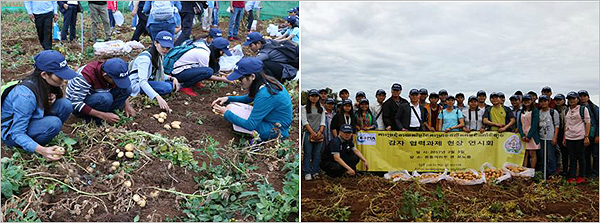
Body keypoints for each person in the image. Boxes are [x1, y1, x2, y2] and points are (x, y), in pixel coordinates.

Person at [1, 50, 77, 161]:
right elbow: (17, 133)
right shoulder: (25, 96)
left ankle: (45, 131)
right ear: (44, 74)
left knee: (65, 104)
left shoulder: (44, 82)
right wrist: (42, 150)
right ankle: (38, 141)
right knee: (54, 123)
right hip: (12, 133)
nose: (63, 79)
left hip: (32, 117)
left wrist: (58, 93)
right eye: (60, 76)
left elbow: (61, 100)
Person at [212, 58, 293, 141]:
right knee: (231, 106)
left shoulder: (265, 95)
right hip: (271, 120)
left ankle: (259, 137)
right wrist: (228, 98)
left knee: (230, 110)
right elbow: (249, 98)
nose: (239, 81)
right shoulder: (268, 82)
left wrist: (226, 113)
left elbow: (250, 125)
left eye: (240, 78)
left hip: (275, 130)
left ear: (252, 76)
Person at [66, 58, 135, 124]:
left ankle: (112, 116)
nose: (117, 83)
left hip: (99, 94)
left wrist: (127, 105)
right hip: (81, 104)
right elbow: (75, 103)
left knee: (127, 89)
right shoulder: (85, 76)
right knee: (106, 98)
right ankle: (94, 120)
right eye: (116, 81)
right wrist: (103, 115)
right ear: (105, 75)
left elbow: (122, 86)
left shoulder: (111, 69)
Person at [128, 31, 180, 112]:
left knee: (175, 85)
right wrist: (157, 97)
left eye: (168, 48)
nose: (165, 50)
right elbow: (142, 82)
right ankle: (147, 93)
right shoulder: (145, 59)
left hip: (148, 80)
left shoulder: (158, 55)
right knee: (167, 87)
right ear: (155, 43)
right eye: (163, 46)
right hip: (136, 85)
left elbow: (157, 74)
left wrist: (171, 78)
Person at [167, 37, 233, 96]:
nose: (222, 54)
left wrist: (223, 74)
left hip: (184, 69)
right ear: (217, 50)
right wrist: (223, 79)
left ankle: (194, 82)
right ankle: (185, 87)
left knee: (207, 70)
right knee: (208, 71)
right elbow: (207, 75)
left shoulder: (206, 48)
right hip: (178, 73)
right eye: (222, 52)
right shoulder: (204, 54)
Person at [563, 92, 591, 183]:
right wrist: (564, 137)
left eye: (573, 98)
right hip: (569, 137)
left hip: (580, 136)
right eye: (569, 98)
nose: (571, 100)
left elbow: (588, 123)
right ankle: (572, 176)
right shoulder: (566, 110)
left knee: (581, 157)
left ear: (577, 99)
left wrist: (586, 136)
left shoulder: (583, 109)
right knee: (572, 157)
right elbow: (565, 125)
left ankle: (582, 175)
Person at [301, 89, 326, 181]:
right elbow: (305, 121)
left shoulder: (321, 108)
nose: (314, 98)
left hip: (319, 133)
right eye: (312, 96)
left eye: (316, 96)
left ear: (318, 97)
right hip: (308, 133)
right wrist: (312, 132)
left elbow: (323, 121)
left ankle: (315, 171)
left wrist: (319, 132)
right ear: (309, 97)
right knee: (308, 153)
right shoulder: (304, 108)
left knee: (317, 153)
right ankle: (307, 172)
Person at [578, 90, 599, 177]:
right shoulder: (577, 108)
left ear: (588, 97)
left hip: (593, 135)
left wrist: (598, 135)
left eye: (584, 96)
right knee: (585, 155)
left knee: (595, 155)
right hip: (582, 135)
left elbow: (598, 121)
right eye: (581, 96)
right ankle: (587, 172)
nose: (582, 98)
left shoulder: (594, 108)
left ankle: (595, 173)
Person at [538, 95, 560, 177]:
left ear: (548, 101)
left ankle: (552, 173)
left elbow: (557, 125)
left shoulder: (553, 112)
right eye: (541, 101)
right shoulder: (539, 112)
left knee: (551, 156)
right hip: (541, 137)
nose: (543, 103)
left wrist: (555, 137)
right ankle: (544, 172)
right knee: (542, 156)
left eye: (545, 101)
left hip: (550, 137)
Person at [518, 94, 540, 169]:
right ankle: (524, 170)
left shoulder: (535, 111)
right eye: (524, 100)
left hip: (532, 136)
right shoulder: (521, 111)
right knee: (524, 154)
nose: (526, 102)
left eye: (528, 100)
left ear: (531, 101)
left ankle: (532, 171)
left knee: (532, 154)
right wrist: (522, 135)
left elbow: (534, 124)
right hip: (523, 135)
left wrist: (529, 136)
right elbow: (519, 124)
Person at [555, 94, 569, 176]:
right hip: (557, 132)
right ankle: (560, 168)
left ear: (564, 100)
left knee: (565, 152)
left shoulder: (567, 110)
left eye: (560, 100)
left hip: (566, 132)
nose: (558, 101)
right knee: (558, 151)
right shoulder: (554, 110)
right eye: (556, 100)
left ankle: (566, 170)